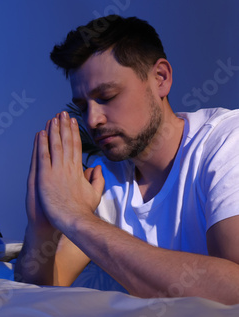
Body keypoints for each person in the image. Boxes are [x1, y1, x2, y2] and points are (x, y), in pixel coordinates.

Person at [15, 15, 239, 305]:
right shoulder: (103, 180)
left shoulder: (226, 142)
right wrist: (40, 228)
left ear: (160, 78)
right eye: (82, 106)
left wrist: (77, 218)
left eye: (107, 96)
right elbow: (42, 290)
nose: (92, 120)